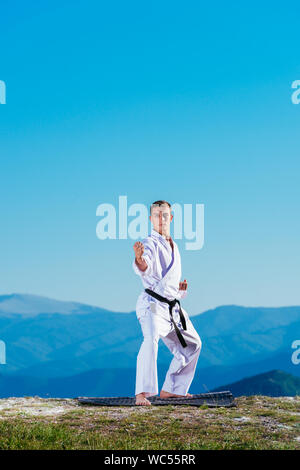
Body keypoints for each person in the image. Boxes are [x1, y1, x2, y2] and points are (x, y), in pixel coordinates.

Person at [132, 200, 202, 406]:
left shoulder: (174, 245)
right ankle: (142, 394)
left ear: (170, 218)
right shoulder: (149, 243)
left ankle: (172, 389)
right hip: (152, 305)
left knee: (193, 344)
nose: (161, 219)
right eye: (156, 215)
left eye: (164, 215)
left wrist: (178, 290)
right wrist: (139, 259)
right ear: (150, 219)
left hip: (172, 307)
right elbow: (146, 264)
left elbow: (164, 279)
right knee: (151, 339)